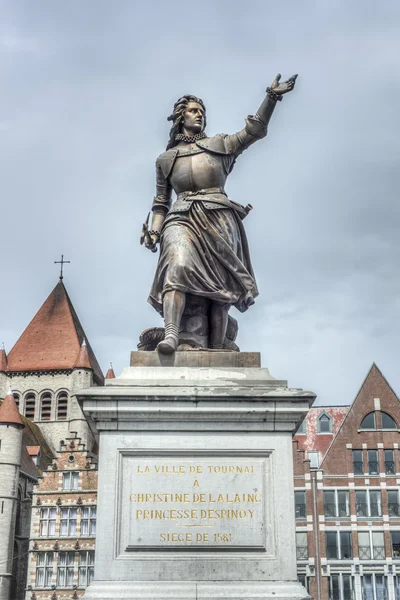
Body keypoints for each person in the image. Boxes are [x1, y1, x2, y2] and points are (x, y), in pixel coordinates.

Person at [145, 74, 297, 354]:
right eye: (193, 111)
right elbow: (160, 202)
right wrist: (154, 230)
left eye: (202, 111)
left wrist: (271, 97)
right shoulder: (166, 160)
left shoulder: (220, 146)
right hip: (180, 216)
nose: (199, 115)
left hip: (219, 217)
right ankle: (171, 335)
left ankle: (217, 345)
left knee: (221, 287)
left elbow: (255, 131)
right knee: (176, 266)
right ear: (181, 116)